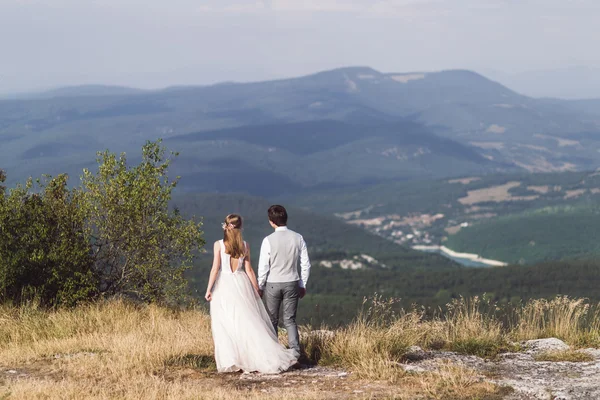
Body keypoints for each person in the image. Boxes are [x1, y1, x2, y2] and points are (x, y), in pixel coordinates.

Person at [205, 214, 297, 374]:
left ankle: (232, 359)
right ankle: (253, 356)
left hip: (224, 285)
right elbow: (248, 270)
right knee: (246, 321)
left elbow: (215, 268)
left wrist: (209, 289)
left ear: (226, 227)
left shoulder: (218, 245)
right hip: (242, 284)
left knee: (226, 324)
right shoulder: (245, 245)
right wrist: (256, 289)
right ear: (240, 227)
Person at [258, 205, 311, 358]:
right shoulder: (298, 237)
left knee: (272, 320)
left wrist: (260, 285)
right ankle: (295, 353)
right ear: (286, 218)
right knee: (290, 320)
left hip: (273, 283)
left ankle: (274, 354)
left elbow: (263, 267)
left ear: (271, 222)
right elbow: (305, 264)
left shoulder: (268, 240)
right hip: (292, 281)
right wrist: (303, 284)